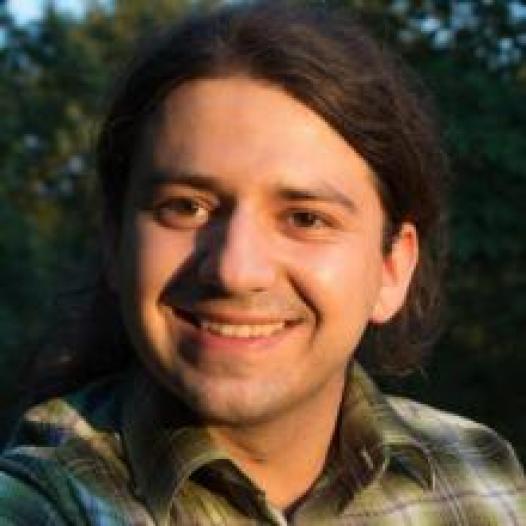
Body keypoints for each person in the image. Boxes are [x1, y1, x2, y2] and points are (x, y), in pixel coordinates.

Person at [0, 2, 524, 524]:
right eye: (185, 208)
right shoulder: (41, 503)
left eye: (305, 218)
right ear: (115, 242)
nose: (236, 270)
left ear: (392, 268)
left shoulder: (484, 478)